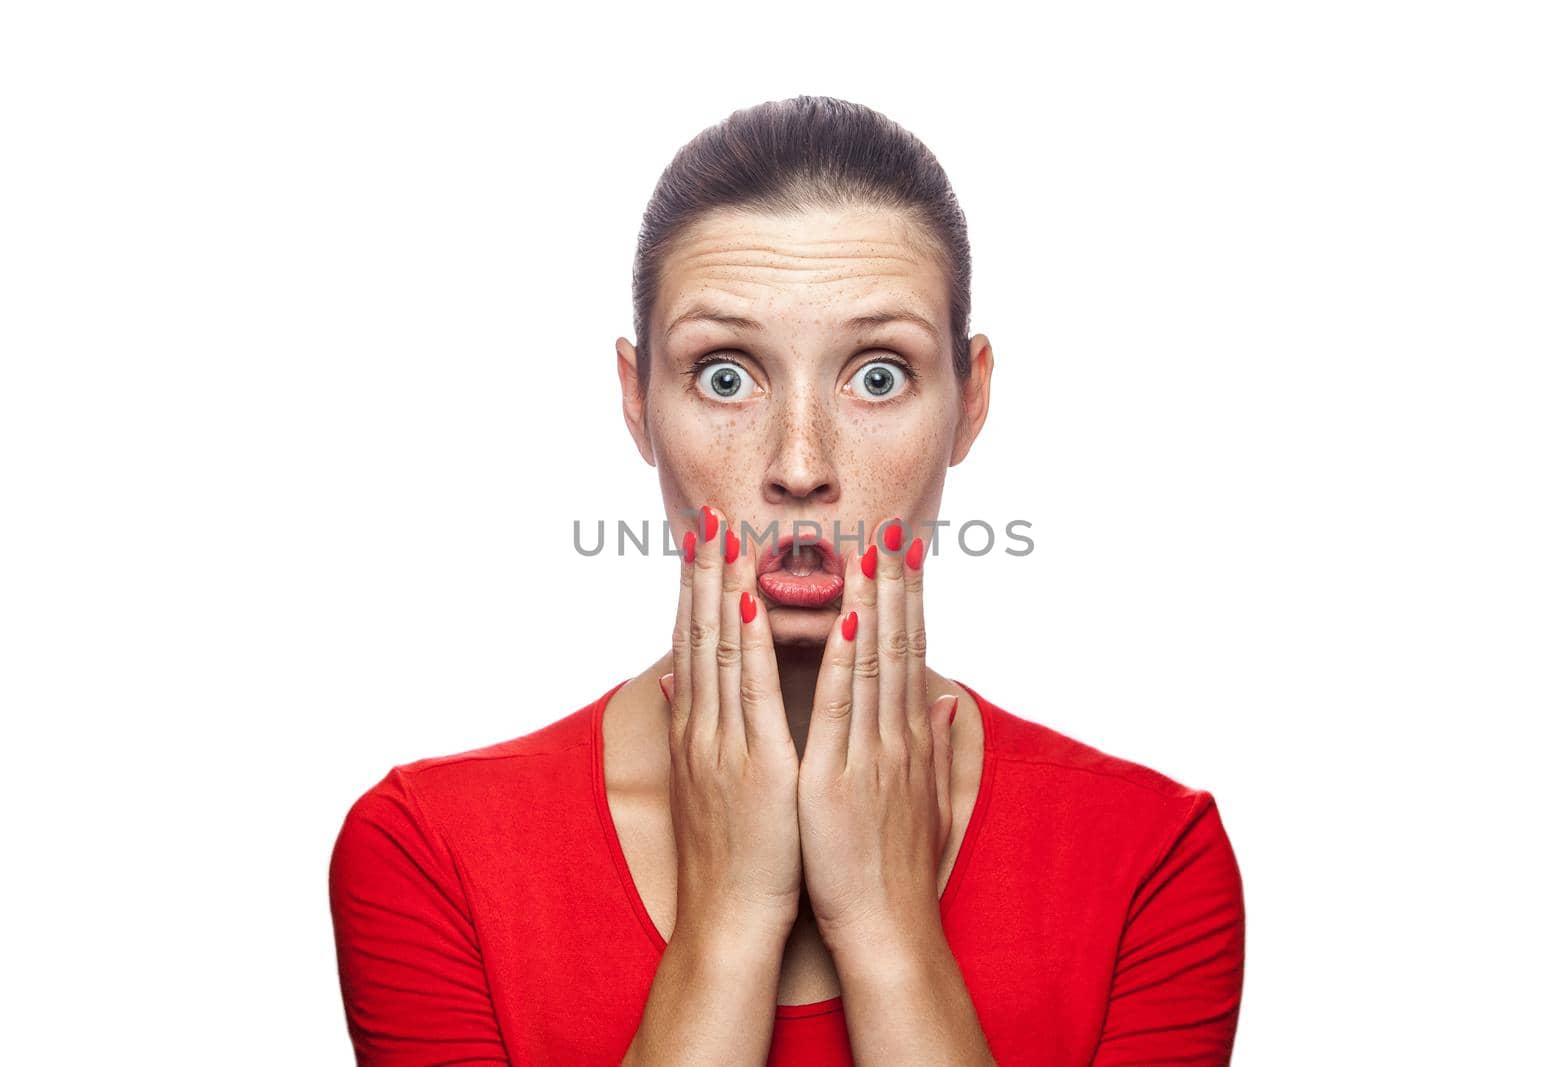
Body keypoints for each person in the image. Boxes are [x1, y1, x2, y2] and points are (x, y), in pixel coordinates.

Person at [328, 94, 1245, 1066]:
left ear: (969, 402)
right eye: (725, 374)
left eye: (878, 373)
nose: (800, 464)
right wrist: (728, 918)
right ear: (636, 403)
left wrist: (889, 930)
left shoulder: (1150, 854)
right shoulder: (429, 850)